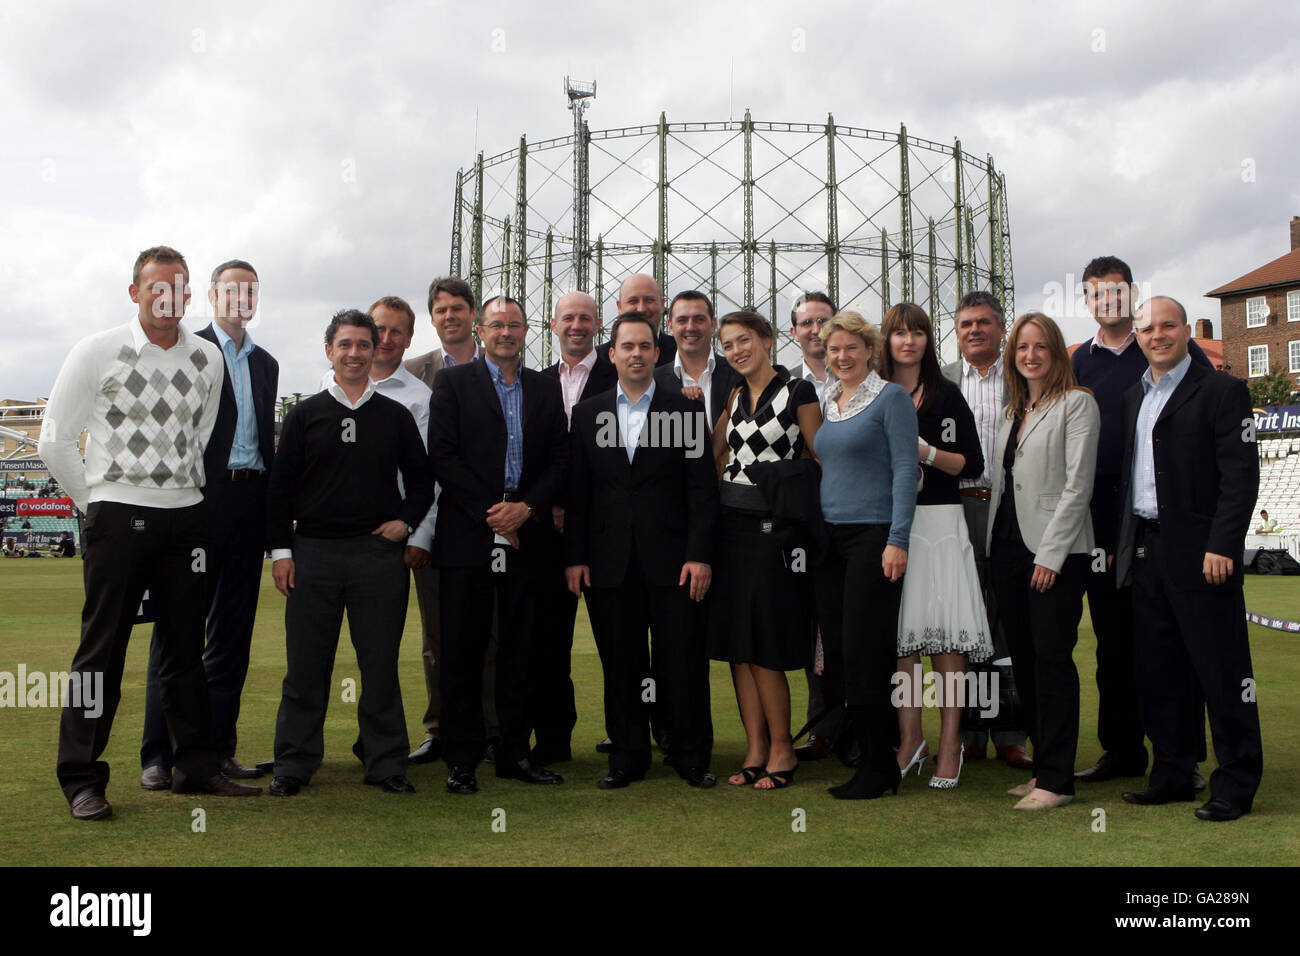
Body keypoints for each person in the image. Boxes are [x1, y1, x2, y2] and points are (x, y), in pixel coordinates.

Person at [40, 245, 261, 820]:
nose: (168, 298)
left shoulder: (207, 358)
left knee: (185, 652)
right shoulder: (96, 350)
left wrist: (180, 497)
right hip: (117, 515)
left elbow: (202, 437)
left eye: (178, 288)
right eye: (156, 287)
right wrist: (98, 506)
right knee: (101, 651)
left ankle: (196, 769)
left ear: (189, 295)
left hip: (186, 518)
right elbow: (54, 441)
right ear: (135, 292)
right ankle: (82, 779)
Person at [267, 310, 433, 797]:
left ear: (374, 349)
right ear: (330, 351)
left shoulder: (395, 416)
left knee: (379, 666)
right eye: (345, 344)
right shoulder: (304, 415)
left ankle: (386, 762)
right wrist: (281, 552)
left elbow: (422, 481)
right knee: (305, 667)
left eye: (363, 344)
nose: (355, 353)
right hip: (312, 554)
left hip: (375, 557)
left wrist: (405, 523)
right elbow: (279, 491)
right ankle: (294, 763)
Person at [1116, 297, 1262, 821]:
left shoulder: (1222, 391)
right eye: (1147, 328)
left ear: (1185, 331)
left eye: (1167, 326)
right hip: (1147, 550)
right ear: (1137, 337)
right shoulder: (1134, 396)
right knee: (1161, 672)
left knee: (1222, 672)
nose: (1157, 335)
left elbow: (1240, 475)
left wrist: (1222, 544)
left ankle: (1236, 783)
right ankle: (1174, 774)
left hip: (1204, 552)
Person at [1071, 256, 1211, 785]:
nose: (1108, 301)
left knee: (1171, 642)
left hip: (1162, 517)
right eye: (1097, 294)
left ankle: (1181, 758)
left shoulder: (1164, 347)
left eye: (1117, 291)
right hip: (1100, 519)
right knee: (1113, 644)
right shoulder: (1079, 361)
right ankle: (1123, 751)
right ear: (1087, 302)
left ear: (1131, 295)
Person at [140, 258, 278, 790]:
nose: (242, 299)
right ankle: (159, 755)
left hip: (250, 502)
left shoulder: (266, 364)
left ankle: (218, 751)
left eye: (251, 291)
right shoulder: (187, 350)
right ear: (213, 297)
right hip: (197, 501)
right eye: (232, 290)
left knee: (231, 637)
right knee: (176, 634)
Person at [566, 311, 719, 789]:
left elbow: (701, 491)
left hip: (675, 563)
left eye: (645, 346)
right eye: (627, 346)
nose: (636, 354)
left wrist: (699, 554)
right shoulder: (588, 414)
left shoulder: (685, 411)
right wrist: (575, 557)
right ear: (612, 354)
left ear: (657, 353)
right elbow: (579, 493)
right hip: (609, 563)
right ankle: (628, 757)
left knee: (682, 662)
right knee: (621, 665)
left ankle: (690, 755)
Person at [429, 296, 569, 794]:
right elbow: (443, 455)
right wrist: (493, 513)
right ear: (481, 331)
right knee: (462, 649)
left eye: (514, 324)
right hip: (470, 532)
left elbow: (560, 458)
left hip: (528, 535)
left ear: (527, 331)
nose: (505, 332)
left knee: (522, 649)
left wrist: (526, 509)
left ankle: (514, 753)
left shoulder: (545, 388)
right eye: (496, 325)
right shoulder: (452, 383)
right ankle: (462, 758)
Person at [315, 295, 439, 770]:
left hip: (389, 540)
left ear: (408, 339)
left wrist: (416, 533)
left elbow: (427, 477)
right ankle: (300, 755)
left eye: (395, 332)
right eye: (378, 331)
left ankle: (381, 752)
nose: (385, 340)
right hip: (329, 544)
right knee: (315, 658)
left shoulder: (418, 397)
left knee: (380, 655)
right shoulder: (323, 390)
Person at [988, 313, 1099, 810]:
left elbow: (1078, 486)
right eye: (1021, 347)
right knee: (1026, 663)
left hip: (1055, 553)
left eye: (1040, 346)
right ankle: (1042, 770)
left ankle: (1058, 781)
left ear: (1056, 352)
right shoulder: (1013, 412)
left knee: (1052, 661)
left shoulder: (1077, 403)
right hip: (1008, 549)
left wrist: (1050, 556)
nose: (1030, 355)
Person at [707, 310, 820, 789]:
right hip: (730, 530)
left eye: (744, 340)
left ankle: (782, 749)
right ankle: (755, 748)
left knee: (765, 647)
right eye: (729, 344)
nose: (737, 351)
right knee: (739, 648)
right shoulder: (734, 396)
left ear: (767, 340)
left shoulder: (799, 392)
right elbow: (715, 453)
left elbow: (818, 456)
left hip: (773, 534)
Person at [882, 303, 989, 789]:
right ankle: (911, 740)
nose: (908, 341)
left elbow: (972, 464)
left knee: (947, 637)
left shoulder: (947, 394)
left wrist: (924, 452)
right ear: (887, 340)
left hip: (941, 522)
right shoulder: (875, 391)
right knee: (902, 642)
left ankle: (950, 742)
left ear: (928, 340)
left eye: (918, 332)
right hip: (889, 525)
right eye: (899, 333)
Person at [813, 310, 917, 799]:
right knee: (840, 653)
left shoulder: (891, 398)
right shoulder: (830, 400)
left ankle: (879, 766)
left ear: (870, 350)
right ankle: (862, 753)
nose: (842, 356)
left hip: (873, 538)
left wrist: (898, 539)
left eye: (851, 347)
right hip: (830, 541)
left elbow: (905, 469)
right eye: (834, 349)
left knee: (866, 653)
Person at [402, 277, 496, 765]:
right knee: (437, 634)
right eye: (441, 310)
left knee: (492, 632)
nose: (450, 316)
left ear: (472, 315)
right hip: (432, 524)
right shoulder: (411, 372)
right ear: (433, 317)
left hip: (490, 521)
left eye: (458, 308)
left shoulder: (500, 366)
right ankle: (440, 728)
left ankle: (492, 728)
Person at [942, 291, 1032, 770]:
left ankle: (1011, 734)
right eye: (965, 324)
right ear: (956, 332)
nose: (974, 330)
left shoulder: (1022, 379)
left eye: (983, 322)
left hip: (1009, 509)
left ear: (1001, 328)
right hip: (957, 509)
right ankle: (971, 732)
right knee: (966, 625)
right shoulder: (943, 381)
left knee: (1008, 625)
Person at [532, 291, 617, 764]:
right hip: (549, 531)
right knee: (549, 643)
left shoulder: (619, 375)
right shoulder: (537, 382)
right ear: (554, 324)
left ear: (598, 324)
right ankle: (553, 741)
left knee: (618, 642)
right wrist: (553, 504)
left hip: (605, 530)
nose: (577, 325)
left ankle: (628, 736)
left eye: (586, 317)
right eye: (568, 317)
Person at [787, 291, 844, 764]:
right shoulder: (785, 386)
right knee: (813, 627)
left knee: (859, 624)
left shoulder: (866, 379)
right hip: (807, 521)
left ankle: (867, 728)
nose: (814, 329)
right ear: (793, 332)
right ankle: (823, 727)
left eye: (822, 320)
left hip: (858, 517)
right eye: (806, 323)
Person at [654, 290, 738, 429]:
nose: (691, 327)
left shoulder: (738, 375)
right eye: (682, 320)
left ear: (713, 324)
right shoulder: (653, 382)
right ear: (670, 326)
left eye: (699, 319)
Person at [595, 273, 677, 368]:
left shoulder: (681, 353)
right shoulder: (597, 360)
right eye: (633, 301)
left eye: (649, 300)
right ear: (619, 307)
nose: (641, 309)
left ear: (662, 305)